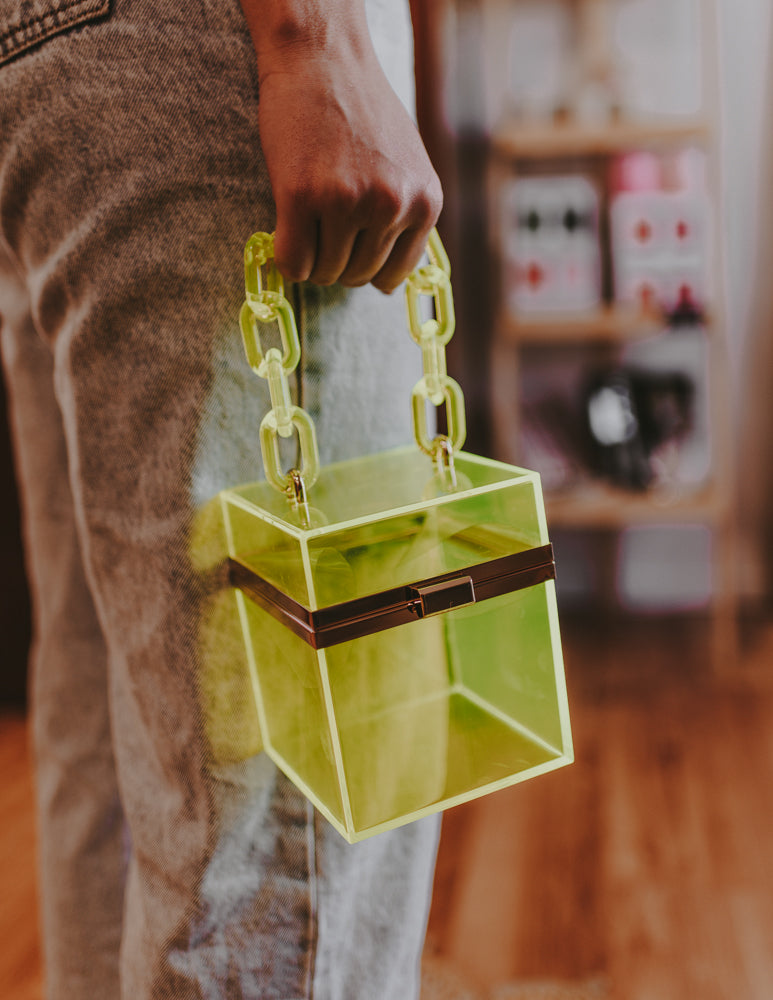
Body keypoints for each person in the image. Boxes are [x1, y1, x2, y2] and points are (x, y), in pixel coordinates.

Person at [0, 0, 443, 996]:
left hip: (45, 69)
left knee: (122, 731)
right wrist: (311, 37)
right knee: (287, 830)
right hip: (209, 55)